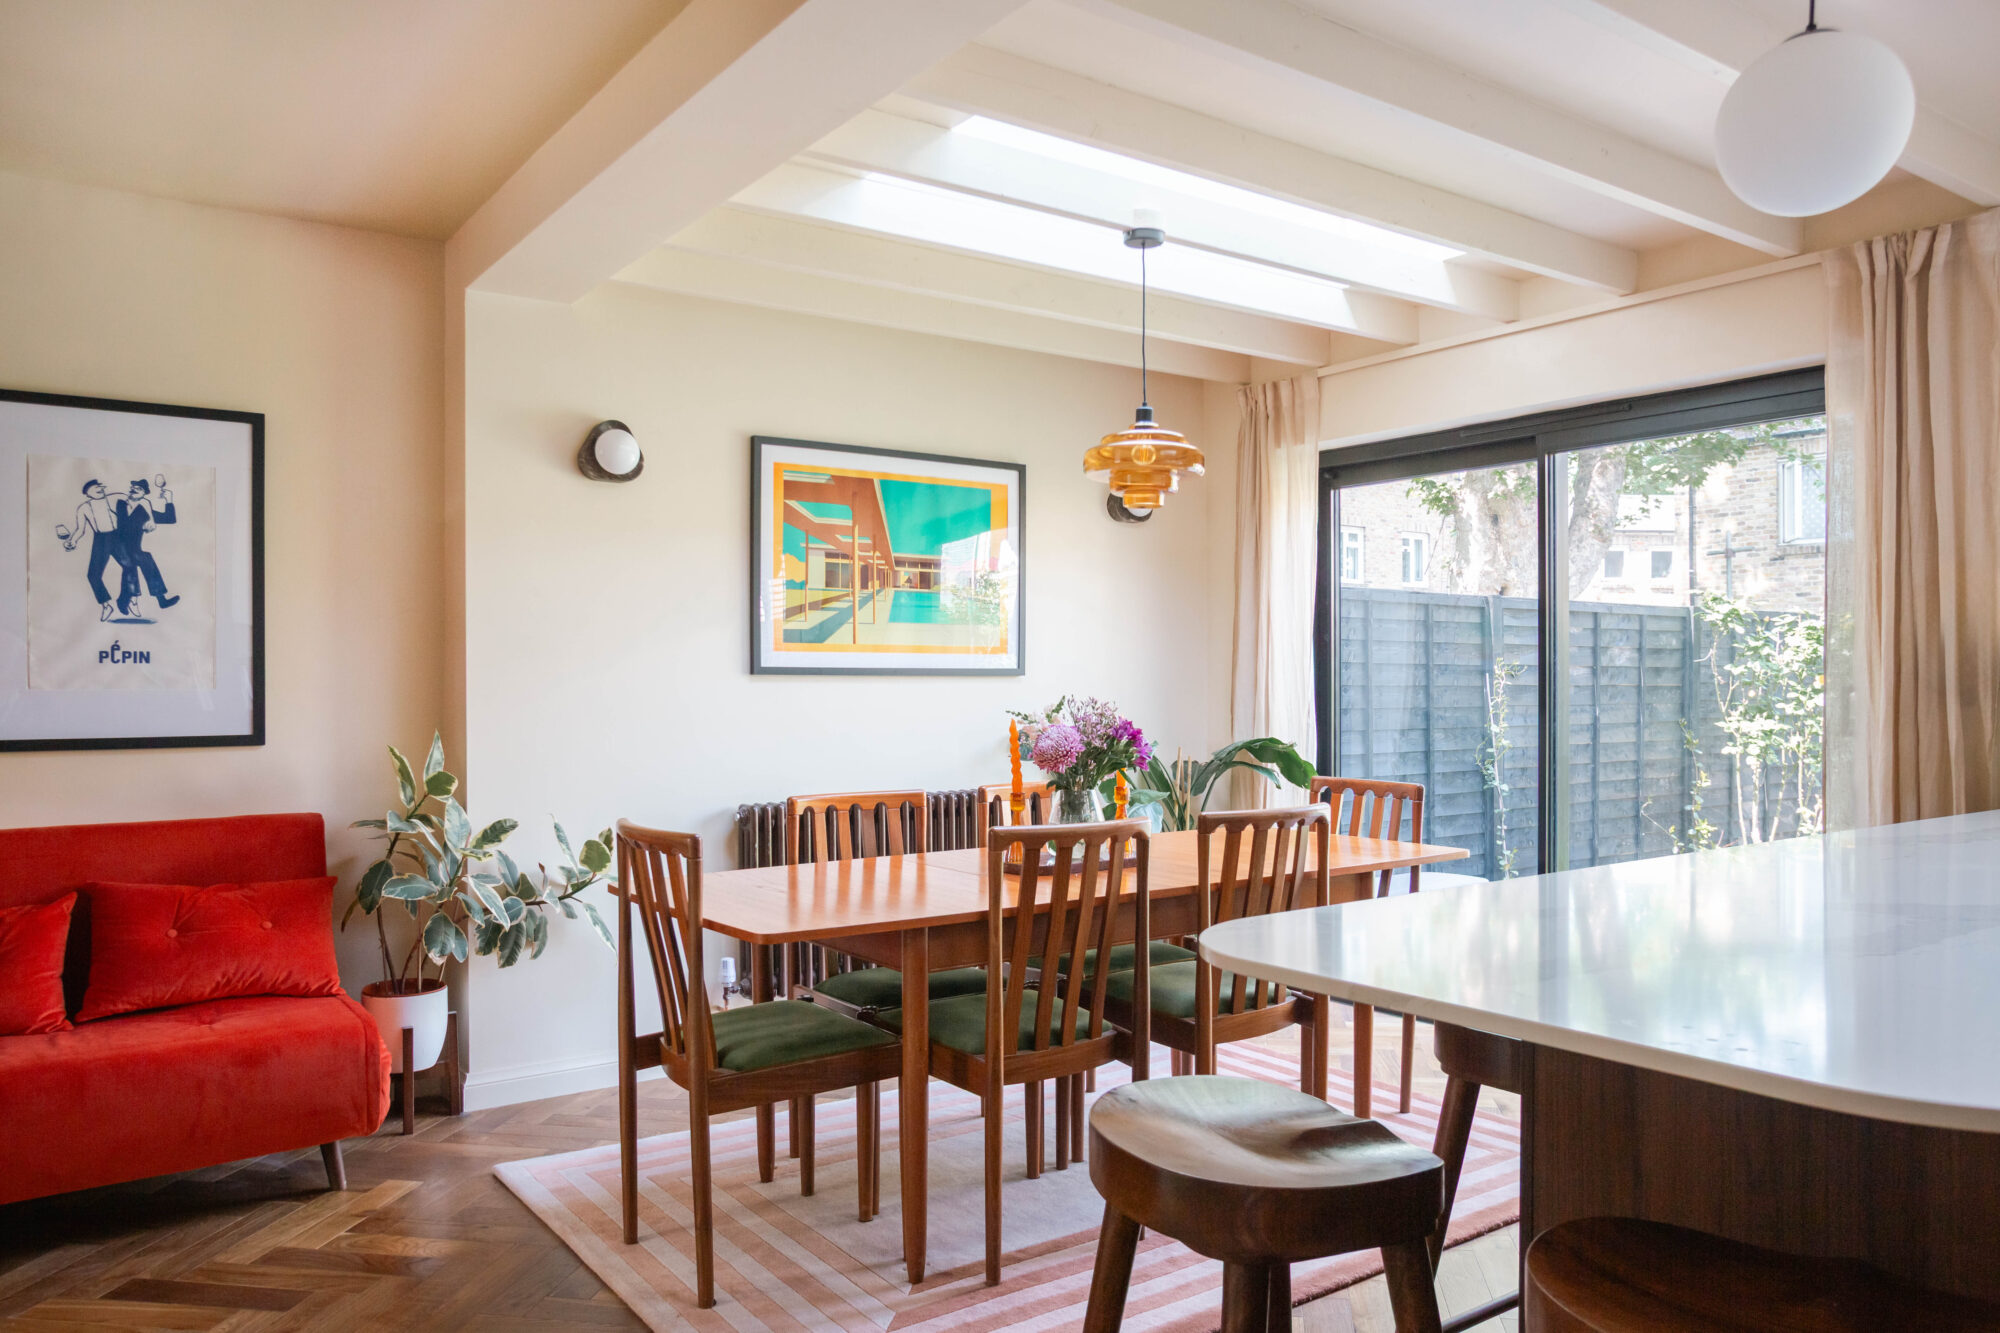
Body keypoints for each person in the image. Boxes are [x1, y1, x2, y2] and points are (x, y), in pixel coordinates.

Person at [60, 479, 132, 622]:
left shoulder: (112, 498)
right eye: (94, 488)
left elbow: (128, 499)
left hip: (117, 537)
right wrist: (72, 541)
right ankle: (106, 605)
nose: (99, 489)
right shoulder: (84, 508)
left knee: (130, 566)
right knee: (93, 575)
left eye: (99, 486)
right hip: (100, 540)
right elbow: (80, 529)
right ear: (87, 493)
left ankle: (127, 599)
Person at [114, 477, 178, 615]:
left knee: (140, 559)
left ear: (144, 494)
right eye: (133, 487)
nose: (134, 489)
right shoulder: (118, 503)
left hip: (132, 550)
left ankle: (126, 599)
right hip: (115, 547)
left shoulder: (144, 511)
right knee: (139, 559)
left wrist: (169, 500)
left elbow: (170, 519)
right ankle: (158, 600)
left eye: (139, 488)